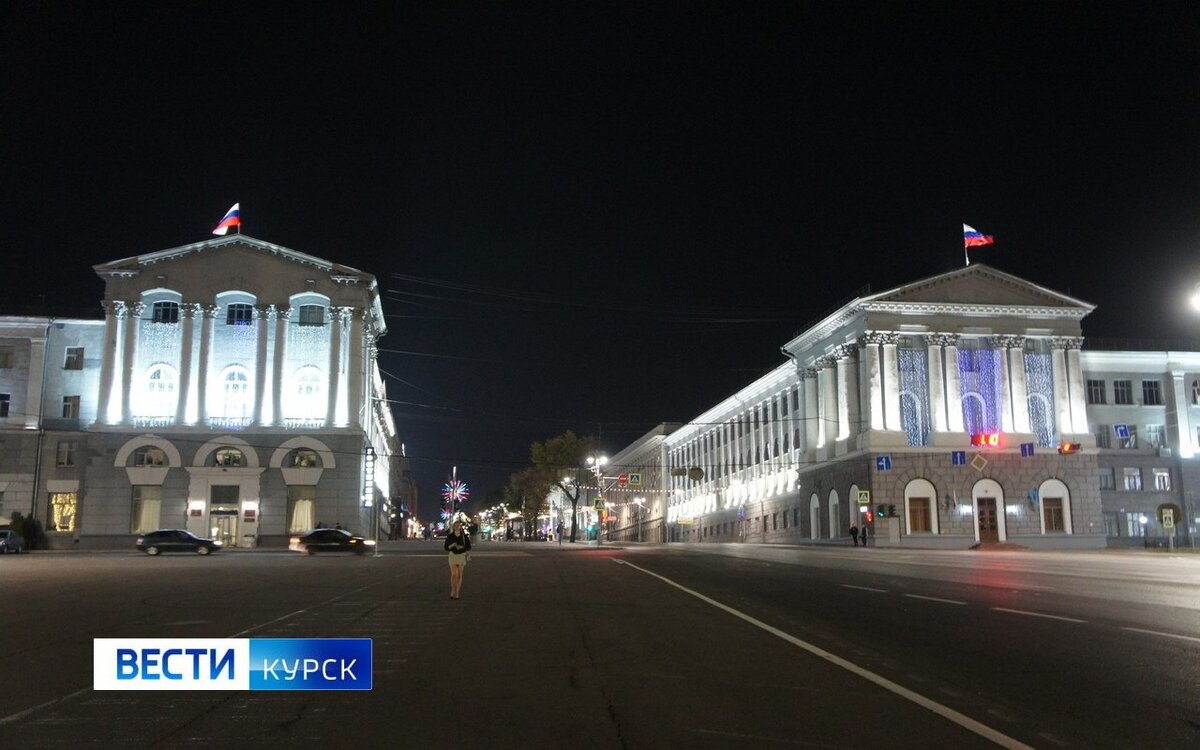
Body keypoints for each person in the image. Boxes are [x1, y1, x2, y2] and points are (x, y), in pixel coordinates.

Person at [444, 520, 471, 599]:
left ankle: (457, 592)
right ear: (453, 526)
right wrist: (452, 545)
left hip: (461, 555)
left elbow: (469, 547)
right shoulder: (450, 536)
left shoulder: (464, 536)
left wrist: (462, 547)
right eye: (455, 525)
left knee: (459, 575)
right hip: (453, 555)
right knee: (453, 575)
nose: (457, 526)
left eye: (458, 525)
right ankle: (453, 590)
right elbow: (446, 547)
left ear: (460, 527)